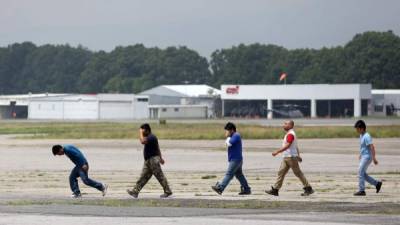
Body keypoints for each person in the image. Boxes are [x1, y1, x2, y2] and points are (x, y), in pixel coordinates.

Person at [265, 120, 314, 196]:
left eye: (286, 124)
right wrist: (299, 155)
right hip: (286, 157)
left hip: (291, 157)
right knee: (281, 173)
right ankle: (275, 190)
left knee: (298, 173)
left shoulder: (290, 134)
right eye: (284, 123)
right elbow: (295, 146)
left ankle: (308, 188)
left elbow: (288, 145)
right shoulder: (289, 134)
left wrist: (277, 152)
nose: (284, 125)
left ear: (291, 126)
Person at [127, 123, 172, 198]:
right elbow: (158, 148)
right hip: (148, 161)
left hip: (153, 160)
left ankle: (168, 191)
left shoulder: (151, 137)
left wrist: (141, 132)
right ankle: (135, 192)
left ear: (147, 130)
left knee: (160, 176)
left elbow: (142, 141)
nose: (142, 133)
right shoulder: (149, 137)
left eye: (143, 131)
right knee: (143, 177)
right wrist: (161, 158)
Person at [211, 122, 251, 195]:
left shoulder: (236, 135)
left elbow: (229, 143)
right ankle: (246, 189)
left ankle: (220, 188)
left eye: (227, 130)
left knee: (229, 174)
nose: (226, 132)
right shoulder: (233, 136)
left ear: (232, 130)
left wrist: (227, 137)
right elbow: (227, 143)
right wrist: (228, 138)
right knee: (239, 175)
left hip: (235, 160)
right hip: (237, 160)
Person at [353, 120, 382, 196]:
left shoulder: (367, 136)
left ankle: (362, 190)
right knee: (362, 174)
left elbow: (372, 147)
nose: (356, 130)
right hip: (364, 156)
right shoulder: (361, 135)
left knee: (360, 172)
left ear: (362, 128)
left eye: (357, 129)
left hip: (368, 157)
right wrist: (360, 154)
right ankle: (377, 184)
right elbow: (363, 147)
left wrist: (374, 158)